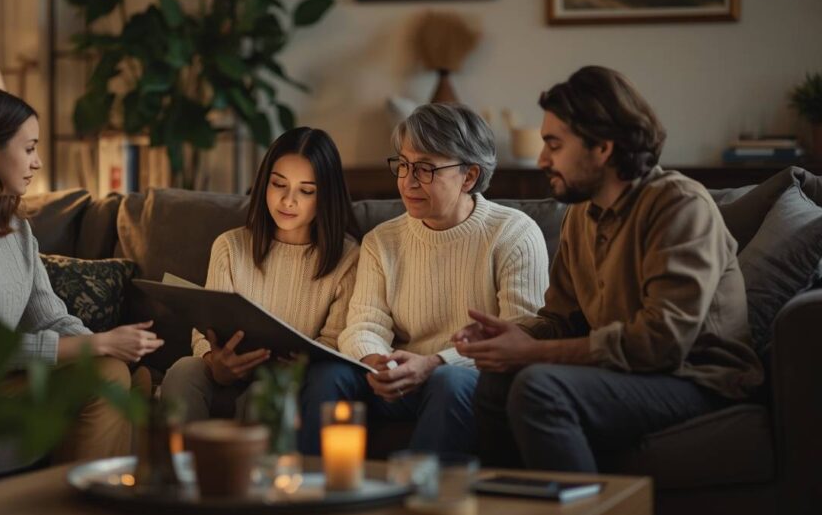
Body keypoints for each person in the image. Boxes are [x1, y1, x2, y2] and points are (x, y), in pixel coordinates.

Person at [456, 66, 764, 472]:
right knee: (496, 383)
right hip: (628, 372)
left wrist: (532, 354)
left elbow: (662, 343)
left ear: (602, 147)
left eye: (554, 144)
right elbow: (560, 319)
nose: (542, 159)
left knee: (539, 386)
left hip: (698, 378)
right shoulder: (579, 215)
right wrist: (512, 336)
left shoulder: (680, 205)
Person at [0, 86, 164, 462]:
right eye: (30, 148)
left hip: (0, 382)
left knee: (110, 371)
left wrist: (109, 348)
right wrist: (96, 346)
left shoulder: (15, 230)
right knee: (107, 377)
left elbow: (49, 316)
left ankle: (84, 498)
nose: (37, 162)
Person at [298, 103, 549, 455]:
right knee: (327, 374)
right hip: (399, 380)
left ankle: (421, 496)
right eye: (403, 165)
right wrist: (376, 362)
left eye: (426, 169)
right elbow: (363, 324)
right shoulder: (382, 241)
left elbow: (521, 333)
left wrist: (435, 363)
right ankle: (308, 494)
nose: (408, 181)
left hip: (470, 381)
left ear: (470, 176)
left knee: (449, 381)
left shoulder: (513, 234)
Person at [159, 127, 360, 421]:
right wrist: (215, 361)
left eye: (306, 191)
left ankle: (253, 467)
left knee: (263, 395)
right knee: (182, 371)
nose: (288, 200)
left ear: (325, 196)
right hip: (225, 366)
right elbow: (204, 328)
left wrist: (296, 367)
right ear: (264, 183)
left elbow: (333, 343)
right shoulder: (230, 246)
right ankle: (179, 466)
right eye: (279, 184)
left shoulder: (348, 257)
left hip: (290, 379)